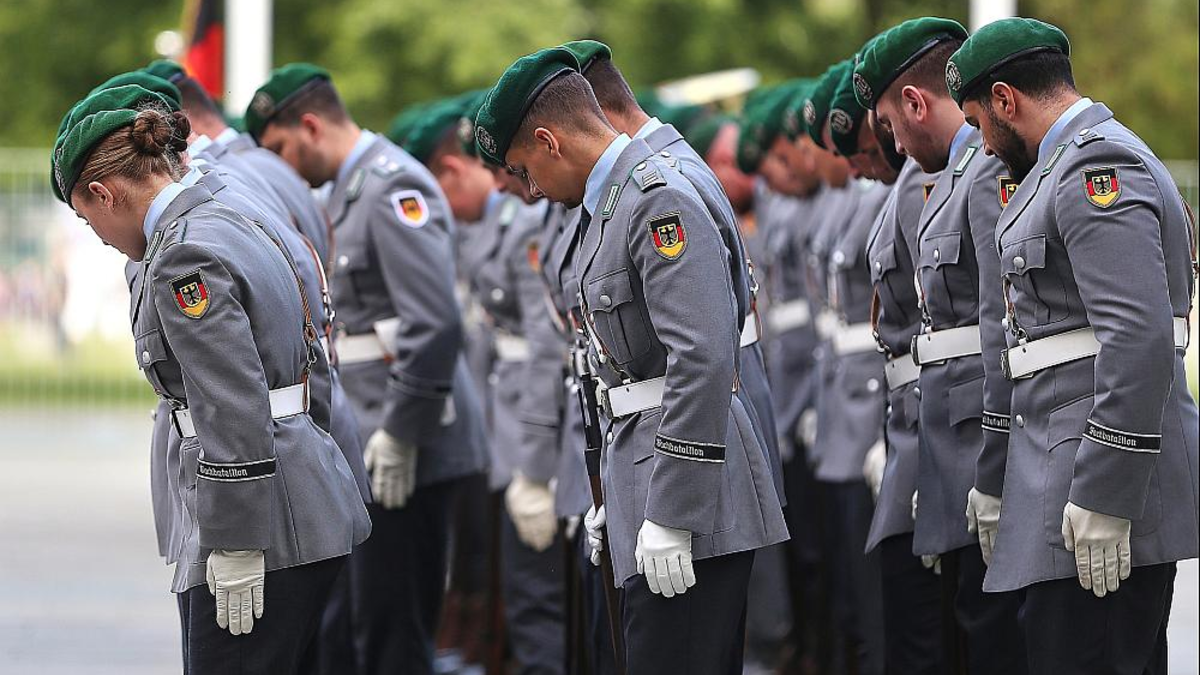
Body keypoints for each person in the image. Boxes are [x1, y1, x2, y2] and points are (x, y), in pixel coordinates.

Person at [475, 47, 788, 674]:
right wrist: (616, 496)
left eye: (525, 169)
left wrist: (672, 511)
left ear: (548, 139)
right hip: (643, 476)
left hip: (689, 492)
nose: (530, 190)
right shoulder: (609, 205)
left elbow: (700, 358)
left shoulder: (654, 198)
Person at [52, 84, 370, 673]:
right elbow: (308, 358)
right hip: (298, 493)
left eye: (85, 216)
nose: (96, 234)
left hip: (262, 523)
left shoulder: (182, 254)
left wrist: (237, 540)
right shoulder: (232, 209)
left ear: (103, 192)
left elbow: (228, 403)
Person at [949, 17, 1199, 674]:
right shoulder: (1059, 168)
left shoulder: (1095, 166)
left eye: (978, 122)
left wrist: (1106, 495)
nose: (982, 143)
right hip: (1064, 484)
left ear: (1006, 99)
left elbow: (1139, 339)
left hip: (1095, 491)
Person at [246, 63, 489, 675]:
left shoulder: (389, 186)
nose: (280, 166)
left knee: (391, 630)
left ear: (309, 125)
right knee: (353, 627)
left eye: (279, 148)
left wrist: (404, 434)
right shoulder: (344, 191)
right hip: (369, 440)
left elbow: (433, 323)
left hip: (410, 443)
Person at [856, 17, 1029, 674]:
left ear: (915, 102)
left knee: (985, 637)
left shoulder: (984, 170)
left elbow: (1000, 326)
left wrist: (990, 465)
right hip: (941, 440)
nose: (891, 144)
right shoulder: (943, 177)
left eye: (888, 125)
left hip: (977, 442)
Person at [404, 97, 573, 674]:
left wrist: (534, 465)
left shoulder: (527, 219)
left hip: (541, 426)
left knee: (538, 595)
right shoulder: (505, 219)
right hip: (509, 416)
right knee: (520, 585)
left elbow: (545, 346)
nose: (509, 186)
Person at [836, 42, 947, 672]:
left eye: (885, 129)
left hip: (944, 433)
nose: (894, 147)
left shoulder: (971, 178)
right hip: (910, 424)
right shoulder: (915, 184)